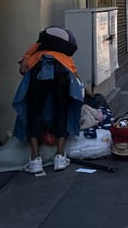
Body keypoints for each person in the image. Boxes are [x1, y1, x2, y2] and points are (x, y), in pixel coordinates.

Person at [14, 27, 83, 174]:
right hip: (62, 73)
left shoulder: (37, 47)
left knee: (34, 111)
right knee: (61, 110)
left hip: (37, 71)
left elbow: (23, 69)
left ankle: (35, 159)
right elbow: (75, 76)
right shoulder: (64, 55)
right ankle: (59, 157)